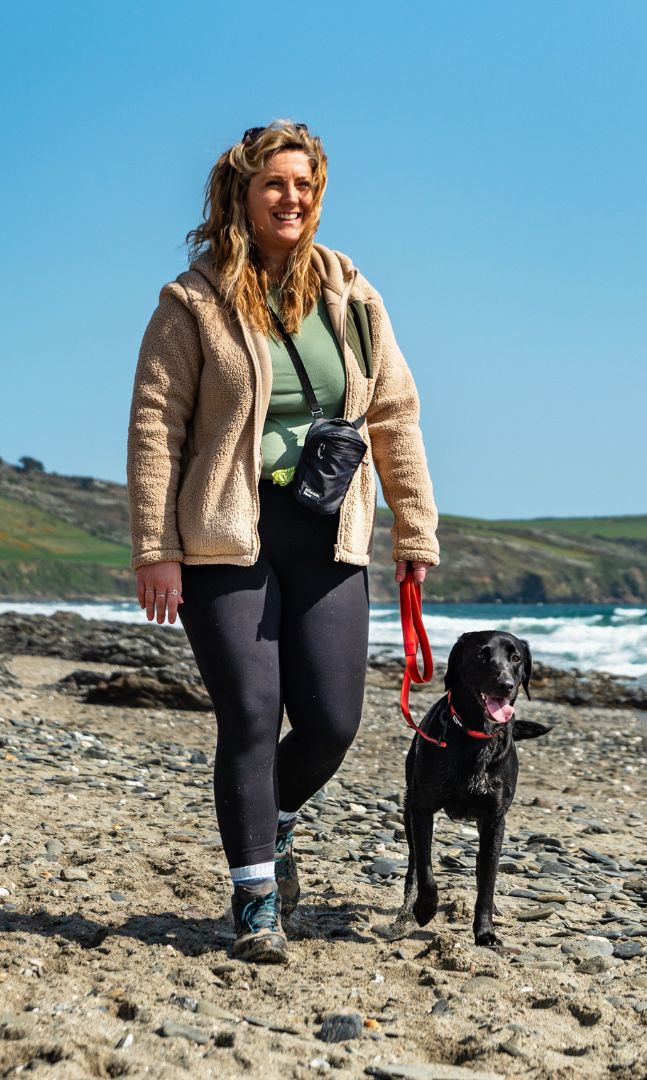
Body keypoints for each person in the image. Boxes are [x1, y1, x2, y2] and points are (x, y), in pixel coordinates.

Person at [127, 120, 439, 964]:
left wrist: (417, 529)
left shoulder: (354, 295)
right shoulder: (190, 302)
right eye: (275, 184)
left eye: (304, 185)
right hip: (227, 531)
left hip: (329, 528)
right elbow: (157, 426)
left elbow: (394, 416)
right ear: (243, 192)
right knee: (253, 714)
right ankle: (256, 896)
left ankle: (277, 822)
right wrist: (155, 547)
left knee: (335, 722)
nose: (291, 199)